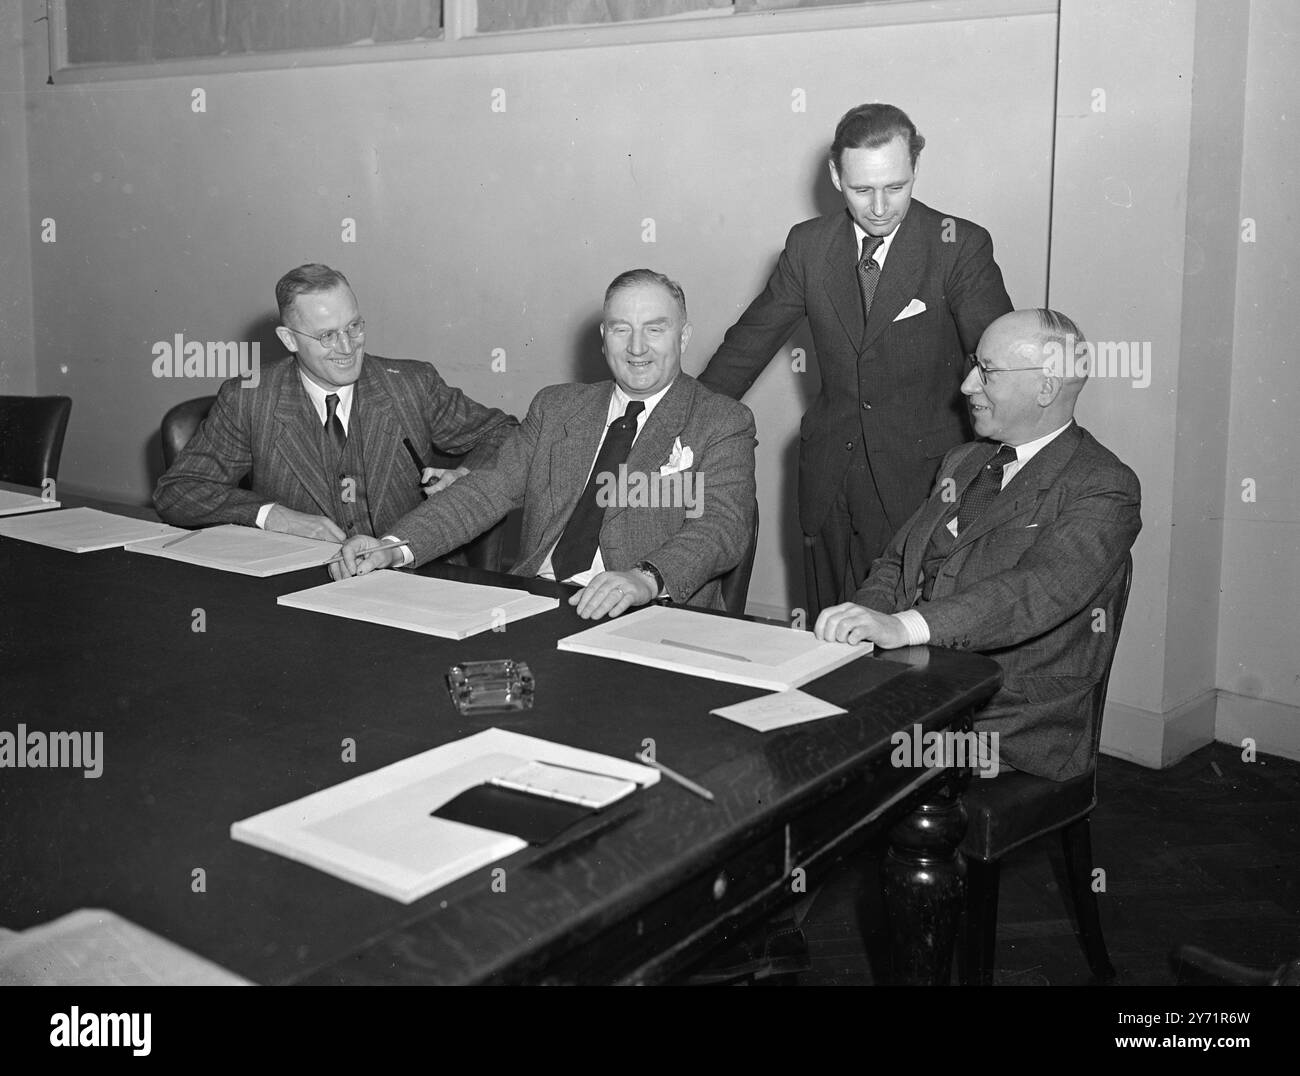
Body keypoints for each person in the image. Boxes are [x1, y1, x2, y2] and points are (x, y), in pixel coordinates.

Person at [699, 102, 1013, 618]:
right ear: (834, 175)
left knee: (898, 656)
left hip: (923, 484)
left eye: (896, 186)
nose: (880, 206)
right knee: (826, 634)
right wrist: (676, 425)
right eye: (861, 189)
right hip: (828, 480)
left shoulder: (958, 246)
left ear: (915, 168)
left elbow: (998, 369)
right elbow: (746, 347)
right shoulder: (809, 245)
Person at [815, 309, 1142, 781]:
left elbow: (1033, 592)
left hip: (1004, 718)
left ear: (1046, 388)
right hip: (913, 687)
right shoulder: (963, 461)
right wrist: (863, 630)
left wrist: (901, 627)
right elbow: (895, 563)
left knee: (837, 769)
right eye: (974, 366)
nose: (967, 385)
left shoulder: (1103, 485)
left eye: (986, 372)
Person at [333, 269, 757, 621]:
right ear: (604, 338)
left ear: (683, 338)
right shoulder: (557, 407)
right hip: (535, 602)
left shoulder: (720, 421)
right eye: (621, 329)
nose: (637, 347)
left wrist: (644, 578)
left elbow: (720, 528)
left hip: (649, 616)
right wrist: (393, 547)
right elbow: (485, 490)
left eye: (655, 329)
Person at [154, 263, 517, 542]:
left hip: (412, 577)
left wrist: (465, 475)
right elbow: (178, 492)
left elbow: (506, 433)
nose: (347, 348)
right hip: (303, 586)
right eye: (327, 336)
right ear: (289, 340)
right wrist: (272, 515)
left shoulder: (412, 384)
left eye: (354, 327)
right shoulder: (249, 399)